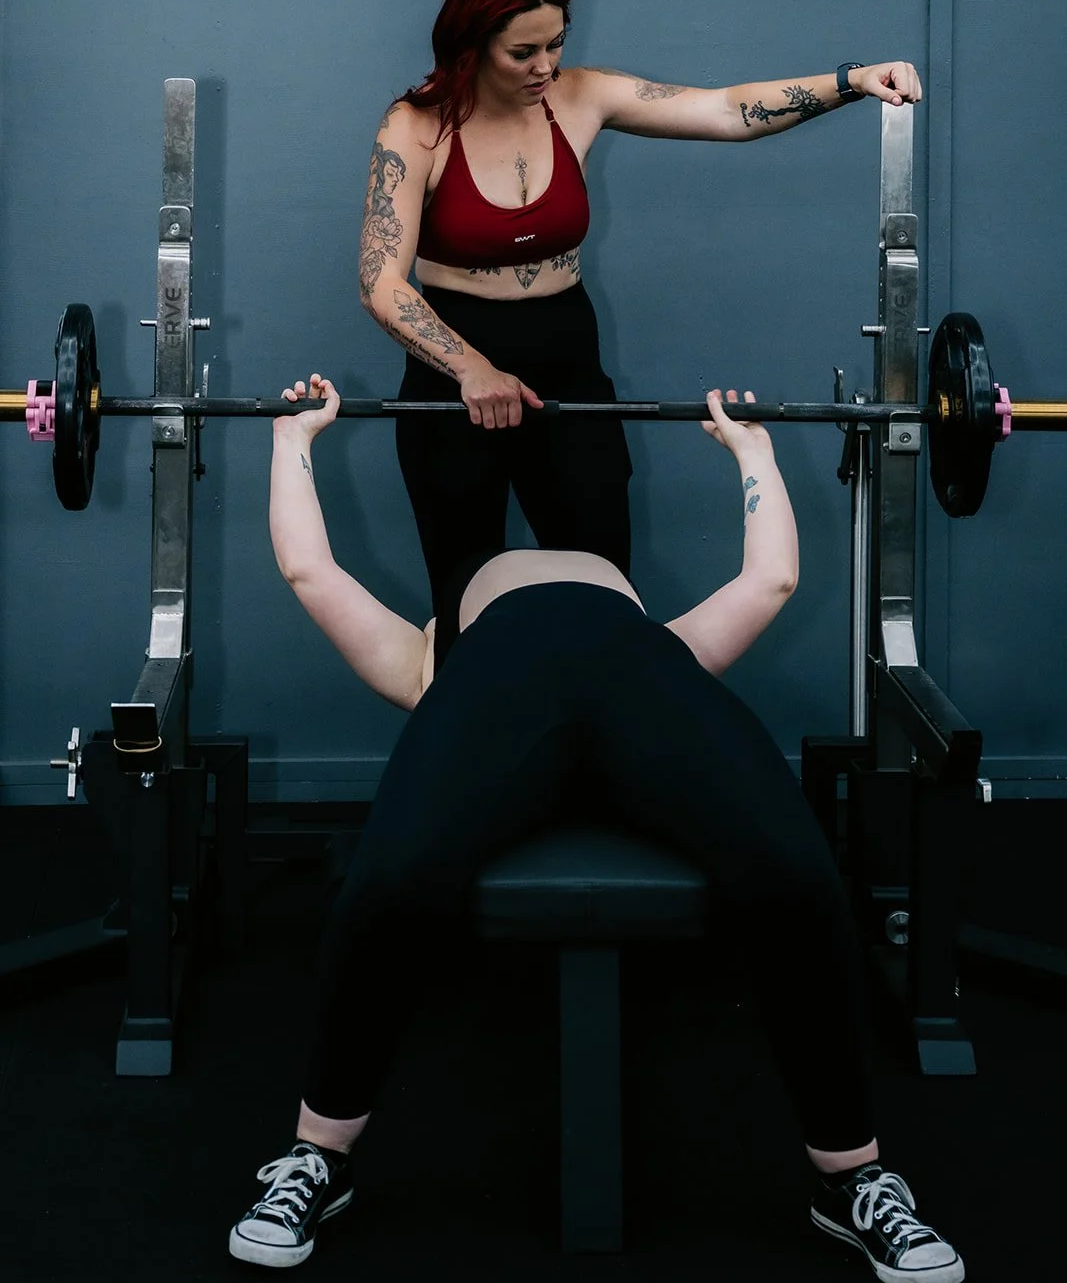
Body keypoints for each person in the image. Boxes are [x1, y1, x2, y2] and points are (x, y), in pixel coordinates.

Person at [227, 374, 963, 1282]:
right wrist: (290, 442)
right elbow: (309, 569)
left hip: (633, 686)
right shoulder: (429, 659)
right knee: (391, 879)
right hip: (514, 694)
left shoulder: (658, 643)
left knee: (796, 874)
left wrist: (752, 450)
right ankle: (316, 1160)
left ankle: (851, 1180)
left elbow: (773, 580)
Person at [358, 0, 923, 620]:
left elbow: (725, 111)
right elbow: (381, 279)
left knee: (600, 591)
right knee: (462, 598)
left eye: (555, 44)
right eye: (522, 53)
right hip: (455, 368)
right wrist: (470, 367)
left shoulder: (581, 96)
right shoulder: (415, 126)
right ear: (470, 43)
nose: (545, 65)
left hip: (566, 356)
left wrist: (852, 81)